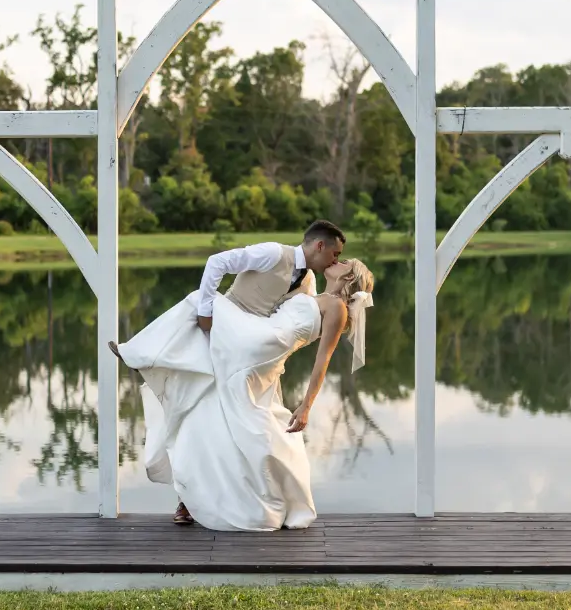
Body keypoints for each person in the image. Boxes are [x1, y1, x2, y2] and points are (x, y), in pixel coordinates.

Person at [109, 221, 375, 530]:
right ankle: (189, 498)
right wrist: (207, 312)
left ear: (348, 277)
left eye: (342, 260)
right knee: (200, 413)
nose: (336, 260)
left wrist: (301, 398)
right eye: (336, 253)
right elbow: (218, 262)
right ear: (320, 246)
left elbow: (308, 341)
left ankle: (141, 354)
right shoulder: (274, 254)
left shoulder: (315, 290)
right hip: (235, 336)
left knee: (235, 428)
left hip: (258, 353)